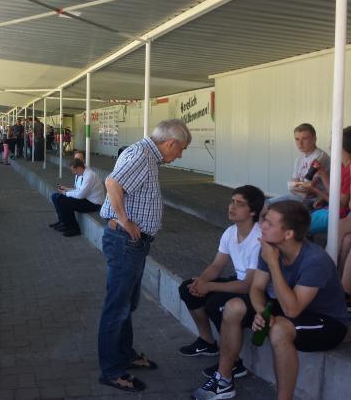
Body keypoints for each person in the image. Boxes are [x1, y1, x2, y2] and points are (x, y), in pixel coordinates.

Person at [192, 201, 349, 400]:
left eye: (269, 223)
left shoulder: (314, 261)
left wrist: (273, 263)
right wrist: (260, 311)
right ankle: (223, 380)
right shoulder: (269, 247)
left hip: (325, 322)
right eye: (264, 220)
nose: (262, 226)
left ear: (289, 234)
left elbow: (292, 311)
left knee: (279, 329)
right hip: (289, 307)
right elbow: (257, 288)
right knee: (233, 307)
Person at [97, 119, 191, 392]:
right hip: (126, 241)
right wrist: (125, 220)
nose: (180, 155)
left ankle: (124, 354)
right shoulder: (142, 155)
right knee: (117, 307)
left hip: (131, 243)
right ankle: (111, 370)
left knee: (126, 303)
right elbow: (112, 182)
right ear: (170, 143)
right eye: (181, 149)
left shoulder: (146, 155)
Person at [178, 185, 265, 381]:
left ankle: (234, 363)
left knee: (215, 302)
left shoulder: (259, 238)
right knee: (187, 289)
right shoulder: (230, 232)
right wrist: (200, 282)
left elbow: (249, 285)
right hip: (239, 283)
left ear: (252, 211)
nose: (232, 207)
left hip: (256, 291)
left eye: (239, 204)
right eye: (232, 201)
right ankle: (207, 342)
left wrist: (210, 287)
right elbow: (217, 265)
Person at [269, 123, 330, 208]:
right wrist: (296, 185)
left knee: (275, 208)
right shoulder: (299, 159)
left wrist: (294, 185)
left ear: (314, 139)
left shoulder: (320, 157)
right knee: (267, 203)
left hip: (316, 200)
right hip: (300, 197)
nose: (300, 143)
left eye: (304, 138)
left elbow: (308, 187)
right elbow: (294, 185)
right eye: (297, 139)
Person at [49, 158, 105, 237]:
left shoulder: (89, 176)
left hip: (94, 204)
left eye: (73, 170)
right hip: (85, 198)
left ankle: (74, 229)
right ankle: (63, 222)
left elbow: (80, 195)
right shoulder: (81, 173)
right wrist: (67, 189)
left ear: (79, 168)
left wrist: (66, 193)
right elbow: (78, 190)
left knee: (64, 201)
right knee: (55, 196)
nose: (73, 173)